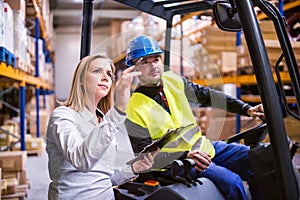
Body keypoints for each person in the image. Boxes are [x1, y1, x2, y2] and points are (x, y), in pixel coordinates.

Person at [124, 35, 265, 200]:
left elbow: (209, 96)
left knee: (258, 160)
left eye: (156, 59)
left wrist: (247, 109)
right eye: (144, 62)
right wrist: (185, 155)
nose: (153, 66)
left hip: (203, 147)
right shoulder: (133, 108)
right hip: (177, 163)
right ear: (134, 67)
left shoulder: (173, 81)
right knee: (232, 181)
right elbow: (145, 158)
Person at [46, 54, 159, 199]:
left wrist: (135, 167)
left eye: (109, 74)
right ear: (80, 80)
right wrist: (118, 110)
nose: (105, 77)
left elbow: (103, 178)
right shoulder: (63, 116)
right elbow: (82, 160)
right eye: (97, 71)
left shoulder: (104, 121)